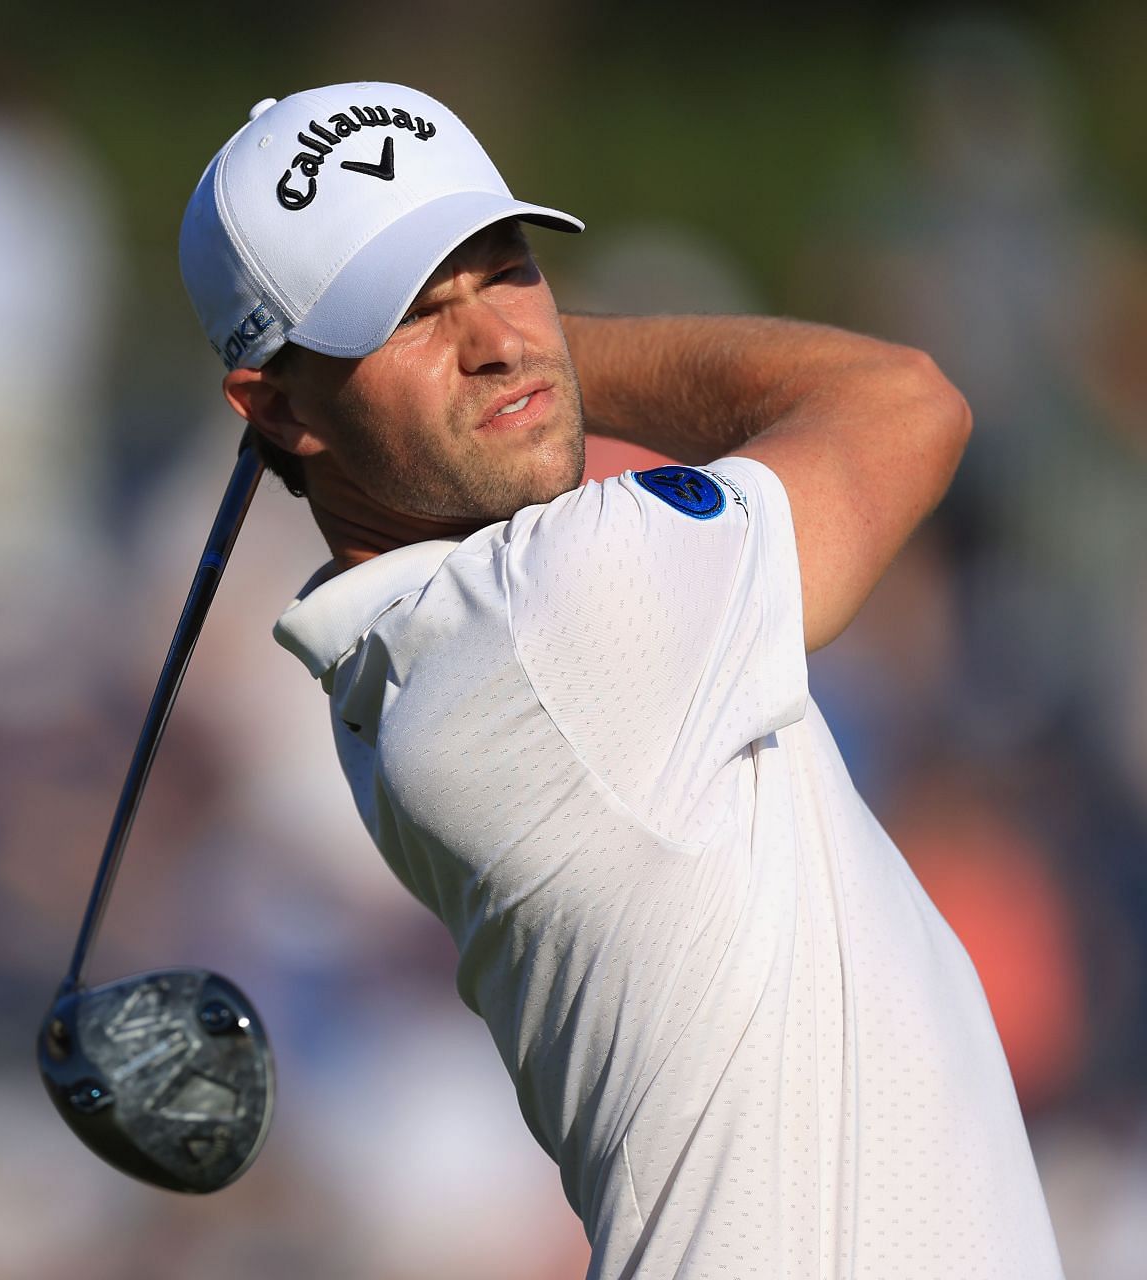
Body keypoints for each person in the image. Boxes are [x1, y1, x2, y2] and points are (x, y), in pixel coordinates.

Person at [179, 82, 1063, 1278]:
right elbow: (905, 402)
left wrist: (502, 359)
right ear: (276, 407)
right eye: (409, 314)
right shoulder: (559, 614)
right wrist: (562, 354)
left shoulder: (423, 650)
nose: (494, 337)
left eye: (503, 268)